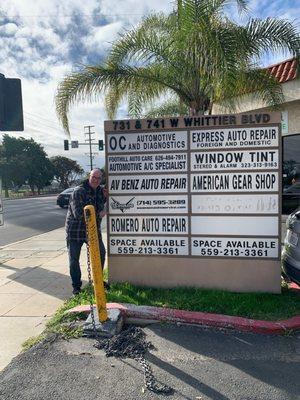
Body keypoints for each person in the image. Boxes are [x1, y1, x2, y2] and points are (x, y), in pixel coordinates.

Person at [65, 168, 107, 295]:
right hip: (75, 231)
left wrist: (105, 198)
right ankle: (76, 287)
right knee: (74, 259)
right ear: (89, 176)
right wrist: (99, 215)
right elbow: (78, 214)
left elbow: (99, 204)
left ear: (101, 180)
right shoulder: (79, 191)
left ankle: (97, 280)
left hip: (93, 230)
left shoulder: (100, 191)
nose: (95, 180)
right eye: (94, 177)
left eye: (98, 178)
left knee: (101, 252)